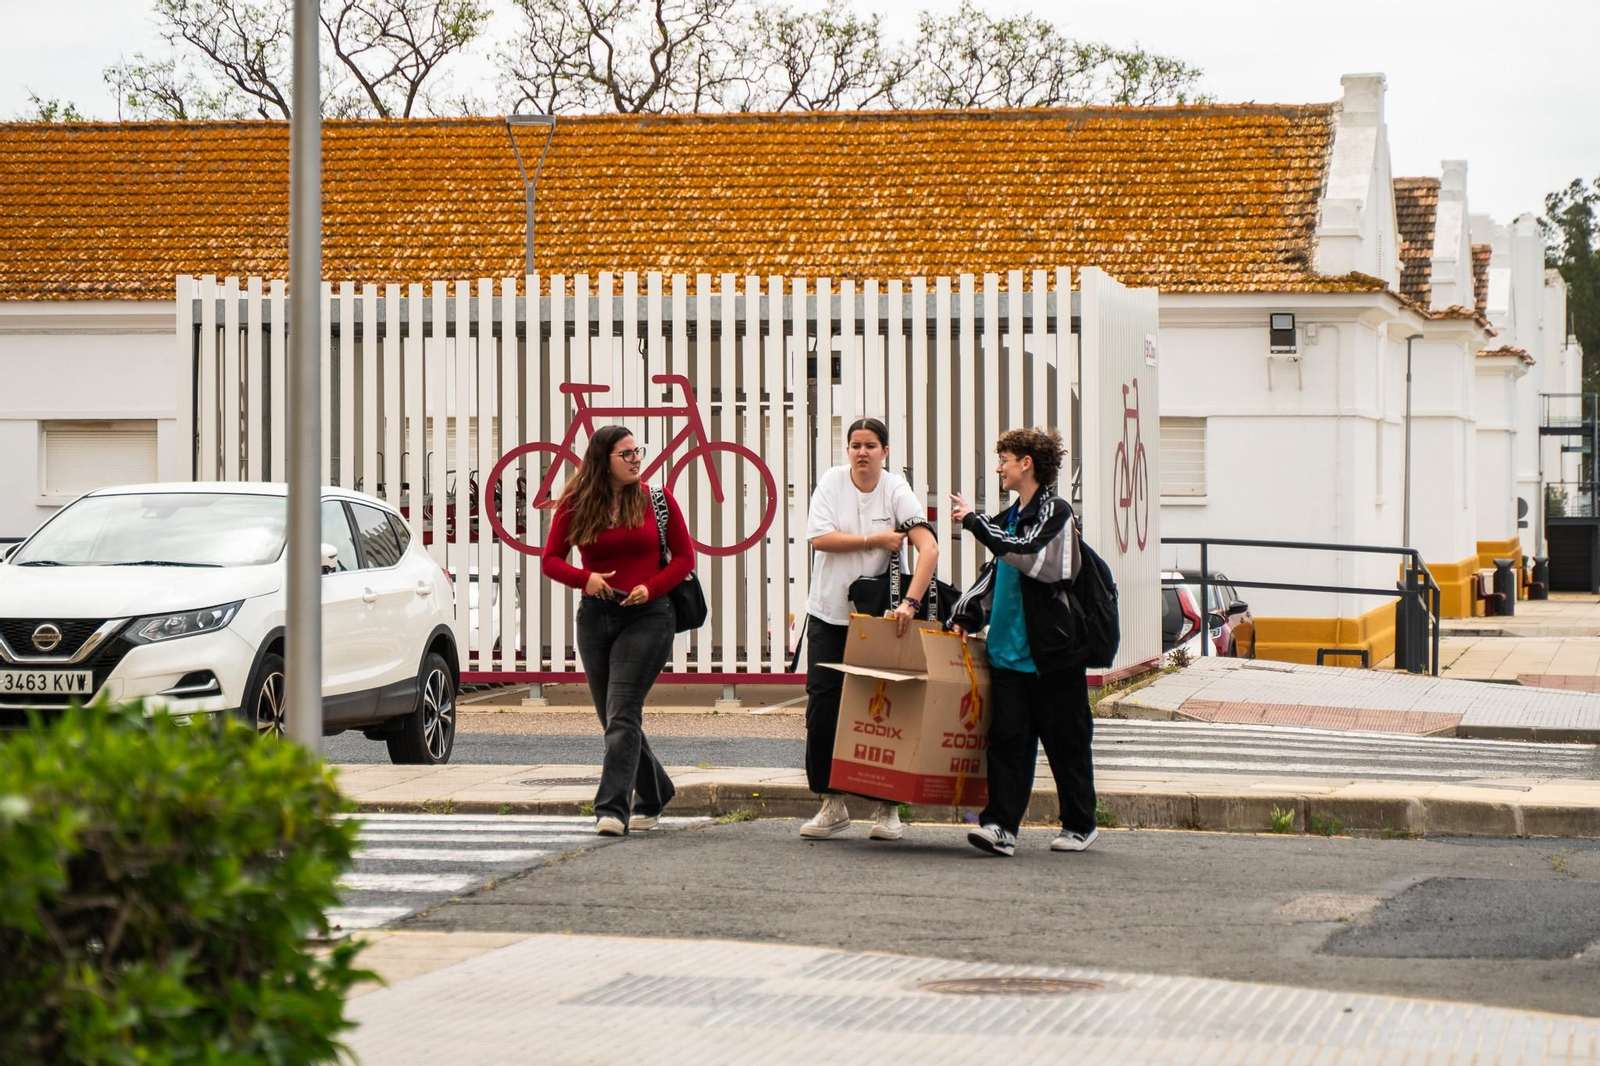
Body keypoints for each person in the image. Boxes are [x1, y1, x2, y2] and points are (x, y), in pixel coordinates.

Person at [948, 427, 1097, 858]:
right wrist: (965, 614)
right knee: (1008, 743)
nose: (999, 468)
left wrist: (976, 523)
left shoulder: (1058, 514)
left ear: (1026, 464)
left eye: (1005, 459)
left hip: (1053, 655)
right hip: (1008, 655)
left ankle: (1081, 825)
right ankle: (1000, 827)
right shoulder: (1008, 518)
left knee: (1066, 743)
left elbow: (1032, 559)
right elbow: (995, 576)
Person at [542, 424, 694, 836]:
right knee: (613, 717)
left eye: (636, 452)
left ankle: (611, 809)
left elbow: (684, 558)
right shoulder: (576, 502)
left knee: (623, 711)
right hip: (596, 615)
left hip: (649, 616)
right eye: (625, 454)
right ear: (602, 460)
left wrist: (652, 587)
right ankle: (656, 790)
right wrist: (584, 579)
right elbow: (551, 560)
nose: (636, 459)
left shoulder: (656, 499)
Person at [799, 417, 940, 841]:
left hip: (878, 621)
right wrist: (876, 540)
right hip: (828, 613)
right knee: (823, 709)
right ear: (848, 451)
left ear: (885, 451)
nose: (862, 452)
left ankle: (887, 808)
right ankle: (831, 803)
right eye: (855, 445)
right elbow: (819, 538)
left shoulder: (895, 488)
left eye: (871, 445)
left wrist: (910, 603)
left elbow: (928, 547)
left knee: (886, 710)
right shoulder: (832, 482)